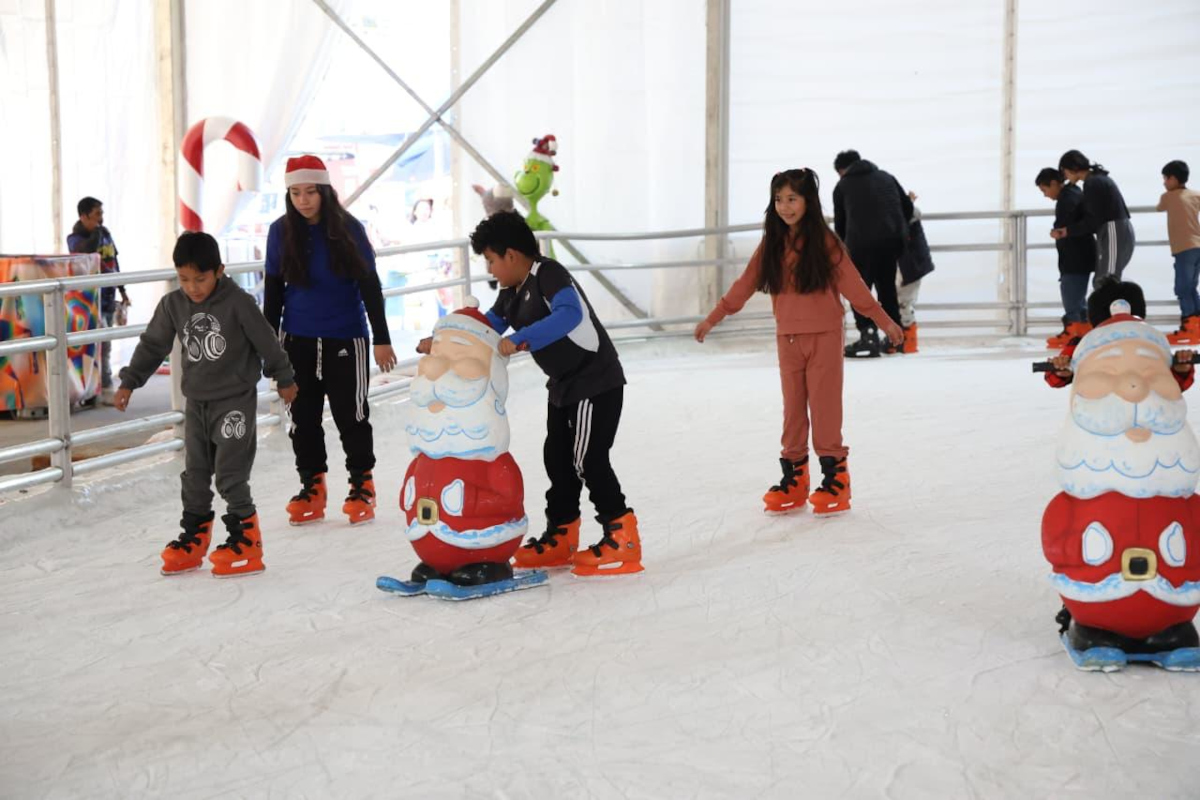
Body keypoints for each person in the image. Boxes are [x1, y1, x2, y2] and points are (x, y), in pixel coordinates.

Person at [419, 209, 642, 577]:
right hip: (563, 387)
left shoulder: (549, 274)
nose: (490, 269)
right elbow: (485, 329)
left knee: (587, 458)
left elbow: (569, 315)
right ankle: (562, 535)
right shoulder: (511, 293)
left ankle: (622, 534)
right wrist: (442, 341)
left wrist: (522, 338)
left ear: (512, 255)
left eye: (491, 260)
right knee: (557, 458)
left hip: (595, 382)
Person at [694, 168, 903, 516]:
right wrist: (713, 317)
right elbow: (745, 284)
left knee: (824, 410)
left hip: (824, 335)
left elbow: (856, 290)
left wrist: (886, 323)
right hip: (787, 337)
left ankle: (836, 479)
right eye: (779, 199)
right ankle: (795, 478)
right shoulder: (773, 245)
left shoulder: (826, 244)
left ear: (809, 201)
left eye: (792, 198)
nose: (785, 206)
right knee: (793, 411)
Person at [114, 232, 298, 577]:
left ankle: (247, 540)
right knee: (195, 475)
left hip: (234, 403)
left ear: (219, 271)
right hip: (196, 403)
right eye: (184, 279)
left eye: (201, 279)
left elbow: (266, 341)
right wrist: (129, 381)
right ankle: (195, 536)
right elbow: (153, 345)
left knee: (230, 474)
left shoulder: (238, 303)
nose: (193, 287)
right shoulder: (173, 305)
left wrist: (284, 377)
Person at [264, 155, 397, 526]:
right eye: (295, 193)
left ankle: (361, 484)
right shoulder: (280, 232)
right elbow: (273, 294)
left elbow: (370, 286)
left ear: (324, 191)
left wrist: (382, 339)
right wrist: (268, 348)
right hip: (297, 339)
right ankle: (312, 484)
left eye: (310, 192)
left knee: (350, 414)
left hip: (345, 336)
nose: (303, 200)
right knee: (301, 417)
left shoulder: (348, 229)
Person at [832, 150, 912, 357]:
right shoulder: (886, 177)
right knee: (887, 288)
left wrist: (844, 249)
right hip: (891, 243)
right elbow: (908, 209)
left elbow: (840, 225)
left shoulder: (842, 186)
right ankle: (896, 338)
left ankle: (868, 336)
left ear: (842, 170)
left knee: (860, 290)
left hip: (861, 246)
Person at [67, 196, 129, 404]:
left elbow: (114, 261)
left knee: (107, 344)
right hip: (88, 303)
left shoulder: (105, 235)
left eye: (102, 214)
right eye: (96, 215)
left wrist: (123, 290)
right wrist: (95, 233)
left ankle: (105, 386)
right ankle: (93, 389)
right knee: (92, 347)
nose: (101, 219)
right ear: (83, 216)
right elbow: (84, 252)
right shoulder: (74, 239)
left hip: (108, 297)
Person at [1051, 150, 1135, 287]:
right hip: (1113, 230)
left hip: (1113, 230)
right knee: (1102, 280)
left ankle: (1112, 308)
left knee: (1107, 280)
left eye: (1064, 171)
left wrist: (1067, 231)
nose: (1065, 177)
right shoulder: (1097, 179)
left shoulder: (1093, 183)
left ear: (1073, 168)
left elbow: (1092, 220)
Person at [1036, 168, 1096, 347]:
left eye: (1045, 190)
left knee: (1071, 294)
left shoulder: (1067, 198)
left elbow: (1070, 224)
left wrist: (1059, 231)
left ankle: (1074, 330)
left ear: (1054, 183)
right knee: (1077, 296)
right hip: (1082, 253)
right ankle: (1082, 328)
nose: (1046, 195)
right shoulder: (1074, 193)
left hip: (1074, 255)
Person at [1157, 160, 1200, 345]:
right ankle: (1196, 324)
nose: (1164, 183)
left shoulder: (1168, 197)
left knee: (1182, 287)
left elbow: (1160, 207)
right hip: (1197, 245)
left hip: (1183, 247)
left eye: (1165, 179)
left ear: (1173, 179)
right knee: (1191, 286)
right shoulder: (1195, 194)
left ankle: (1188, 325)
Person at [894, 191, 935, 353]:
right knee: (901, 300)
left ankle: (908, 341)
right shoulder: (908, 216)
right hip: (911, 265)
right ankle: (904, 340)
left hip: (911, 266)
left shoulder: (905, 218)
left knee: (903, 301)